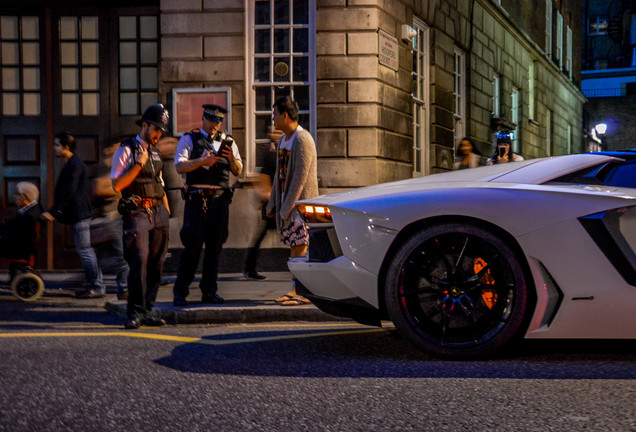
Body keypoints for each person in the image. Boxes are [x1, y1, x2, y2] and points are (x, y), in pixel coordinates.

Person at [172, 104, 243, 307]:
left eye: (218, 121)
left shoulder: (228, 142)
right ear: (203, 119)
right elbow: (179, 166)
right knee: (192, 249)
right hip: (197, 202)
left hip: (219, 202)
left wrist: (229, 158)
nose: (214, 125)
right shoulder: (189, 139)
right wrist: (200, 162)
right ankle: (180, 292)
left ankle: (209, 291)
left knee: (214, 249)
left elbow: (238, 171)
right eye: (211, 120)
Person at [111, 104, 171, 329]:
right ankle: (134, 313)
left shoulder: (156, 152)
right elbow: (117, 185)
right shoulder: (127, 149)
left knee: (157, 263)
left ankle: (147, 311)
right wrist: (138, 164)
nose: (158, 135)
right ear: (144, 125)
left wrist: (165, 209)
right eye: (156, 129)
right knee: (140, 261)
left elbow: (160, 182)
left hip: (158, 212)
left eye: (161, 131)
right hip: (137, 212)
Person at [266, 96, 319, 306]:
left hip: (301, 206)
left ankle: (303, 292)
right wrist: (272, 204)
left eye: (275, 115)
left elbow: (300, 178)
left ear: (285, 115)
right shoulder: (283, 140)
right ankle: (297, 289)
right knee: (295, 248)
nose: (273, 119)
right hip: (289, 205)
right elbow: (280, 175)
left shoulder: (302, 139)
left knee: (300, 247)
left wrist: (285, 209)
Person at [42, 131, 106, 299]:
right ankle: (95, 284)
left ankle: (97, 286)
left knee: (85, 250)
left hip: (80, 214)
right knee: (85, 250)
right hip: (77, 213)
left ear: (66, 147)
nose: (54, 148)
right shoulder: (70, 163)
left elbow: (70, 190)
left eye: (57, 145)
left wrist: (54, 211)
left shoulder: (75, 164)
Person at [91, 143, 130, 300]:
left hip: (116, 216)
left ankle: (97, 284)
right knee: (120, 256)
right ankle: (123, 288)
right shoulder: (105, 167)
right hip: (109, 217)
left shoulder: (119, 166)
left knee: (111, 256)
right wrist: (120, 188)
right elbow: (99, 188)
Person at [242, 126, 280, 280]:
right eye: (274, 132)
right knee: (262, 235)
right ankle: (249, 269)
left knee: (291, 235)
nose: (275, 134)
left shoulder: (281, 153)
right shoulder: (270, 155)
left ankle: (249, 268)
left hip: (280, 200)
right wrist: (266, 194)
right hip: (273, 202)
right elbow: (262, 177)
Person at [0, 182, 42, 263]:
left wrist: (2, 237)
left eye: (16, 194)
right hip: (17, 244)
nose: (14, 197)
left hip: (19, 249)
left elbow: (19, 236)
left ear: (25, 197)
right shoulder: (30, 210)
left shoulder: (30, 215)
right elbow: (12, 226)